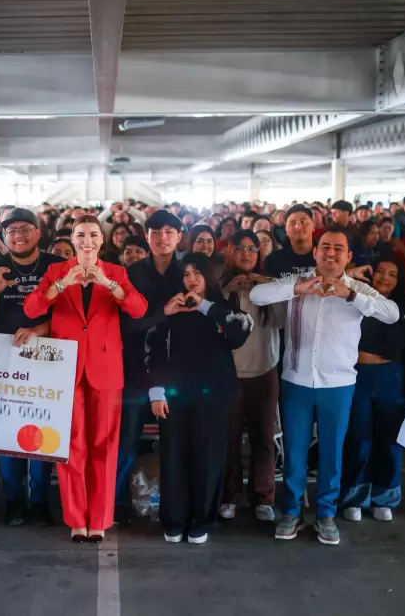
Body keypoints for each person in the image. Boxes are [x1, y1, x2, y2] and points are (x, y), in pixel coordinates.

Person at [250, 226, 399, 546]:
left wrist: (352, 295)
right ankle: (291, 511)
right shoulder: (298, 280)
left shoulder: (357, 288)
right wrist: (298, 289)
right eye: (325, 247)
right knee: (294, 452)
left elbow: (392, 314)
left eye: (338, 249)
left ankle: (326, 514)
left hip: (339, 383)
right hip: (297, 381)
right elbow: (256, 295)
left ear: (348, 257)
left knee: (332, 452)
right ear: (316, 252)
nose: (331, 253)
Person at [24, 215, 147, 542]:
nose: (87, 240)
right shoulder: (56, 272)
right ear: (73, 239)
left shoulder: (117, 272)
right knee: (71, 445)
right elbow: (32, 308)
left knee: (104, 446)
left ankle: (100, 519)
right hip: (65, 368)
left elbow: (138, 309)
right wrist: (63, 285)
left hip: (106, 368)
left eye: (93, 234)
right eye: (81, 235)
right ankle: (77, 519)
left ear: (102, 240)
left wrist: (110, 285)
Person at [149, 252, 252, 544]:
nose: (191, 279)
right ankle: (174, 519)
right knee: (174, 456)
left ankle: (201, 519)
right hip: (174, 395)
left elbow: (239, 334)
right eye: (186, 274)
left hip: (214, 395)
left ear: (209, 276)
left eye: (197, 273)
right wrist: (156, 390)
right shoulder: (171, 307)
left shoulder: (222, 308)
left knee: (208, 458)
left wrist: (204, 306)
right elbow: (156, 348)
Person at [0, 208, 64, 526]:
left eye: (25, 228)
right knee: (7, 436)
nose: (19, 235)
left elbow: (73, 314)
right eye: (11, 230)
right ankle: (13, 501)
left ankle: (38, 501)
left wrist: (39, 330)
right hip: (3, 363)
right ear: (4, 236)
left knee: (42, 434)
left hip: (48, 362)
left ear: (38, 233)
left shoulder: (56, 266)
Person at [113, 210, 186, 525]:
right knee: (126, 441)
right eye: (156, 232)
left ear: (179, 236)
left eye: (169, 231)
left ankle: (175, 503)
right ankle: (115, 503)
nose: (162, 237)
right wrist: (162, 313)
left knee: (177, 442)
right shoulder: (130, 275)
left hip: (179, 372)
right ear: (147, 237)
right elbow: (125, 325)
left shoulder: (188, 272)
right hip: (134, 371)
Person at [339, 257, 405, 523]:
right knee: (359, 437)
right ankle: (355, 497)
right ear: (370, 273)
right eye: (380, 272)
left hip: (392, 378)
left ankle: (384, 496)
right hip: (357, 376)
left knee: (389, 440)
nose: (385, 278)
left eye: (392, 274)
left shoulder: (404, 311)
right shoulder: (352, 300)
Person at [218, 231, 281, 523]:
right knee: (228, 439)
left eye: (251, 248)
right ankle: (229, 495)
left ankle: (263, 497)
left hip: (264, 370)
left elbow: (284, 319)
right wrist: (228, 290)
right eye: (240, 248)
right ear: (230, 252)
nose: (246, 253)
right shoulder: (219, 285)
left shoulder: (268, 288)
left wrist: (269, 286)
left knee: (263, 438)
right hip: (228, 374)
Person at [263, 205, 317, 279]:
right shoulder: (273, 260)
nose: (298, 227)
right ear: (286, 230)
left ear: (313, 226)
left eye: (303, 221)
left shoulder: (324, 256)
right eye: (292, 223)